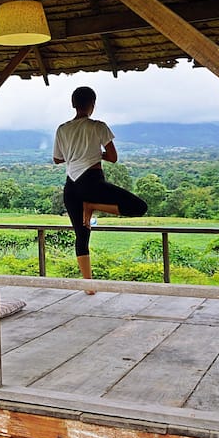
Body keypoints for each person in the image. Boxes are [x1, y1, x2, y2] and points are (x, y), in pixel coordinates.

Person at [53, 86, 147, 290]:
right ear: (92, 105)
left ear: (73, 104)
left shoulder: (62, 129)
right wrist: (96, 154)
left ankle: (89, 284)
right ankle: (92, 204)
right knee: (139, 207)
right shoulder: (98, 126)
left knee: (81, 235)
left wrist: (75, 153)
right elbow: (113, 157)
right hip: (92, 182)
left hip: (71, 186)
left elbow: (57, 159)